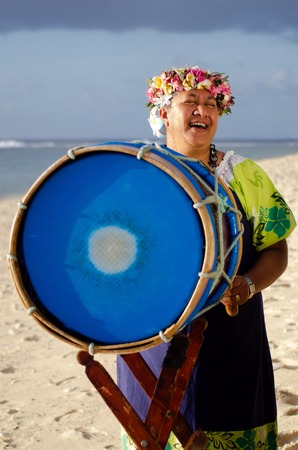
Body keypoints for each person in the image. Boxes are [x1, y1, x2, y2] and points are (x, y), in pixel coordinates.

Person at [117, 66, 297, 449]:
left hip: (231, 332)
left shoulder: (243, 175)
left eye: (212, 103)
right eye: (190, 102)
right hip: (152, 330)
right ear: (163, 113)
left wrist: (247, 285)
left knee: (227, 416)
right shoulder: (137, 170)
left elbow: (277, 249)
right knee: (153, 427)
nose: (203, 110)